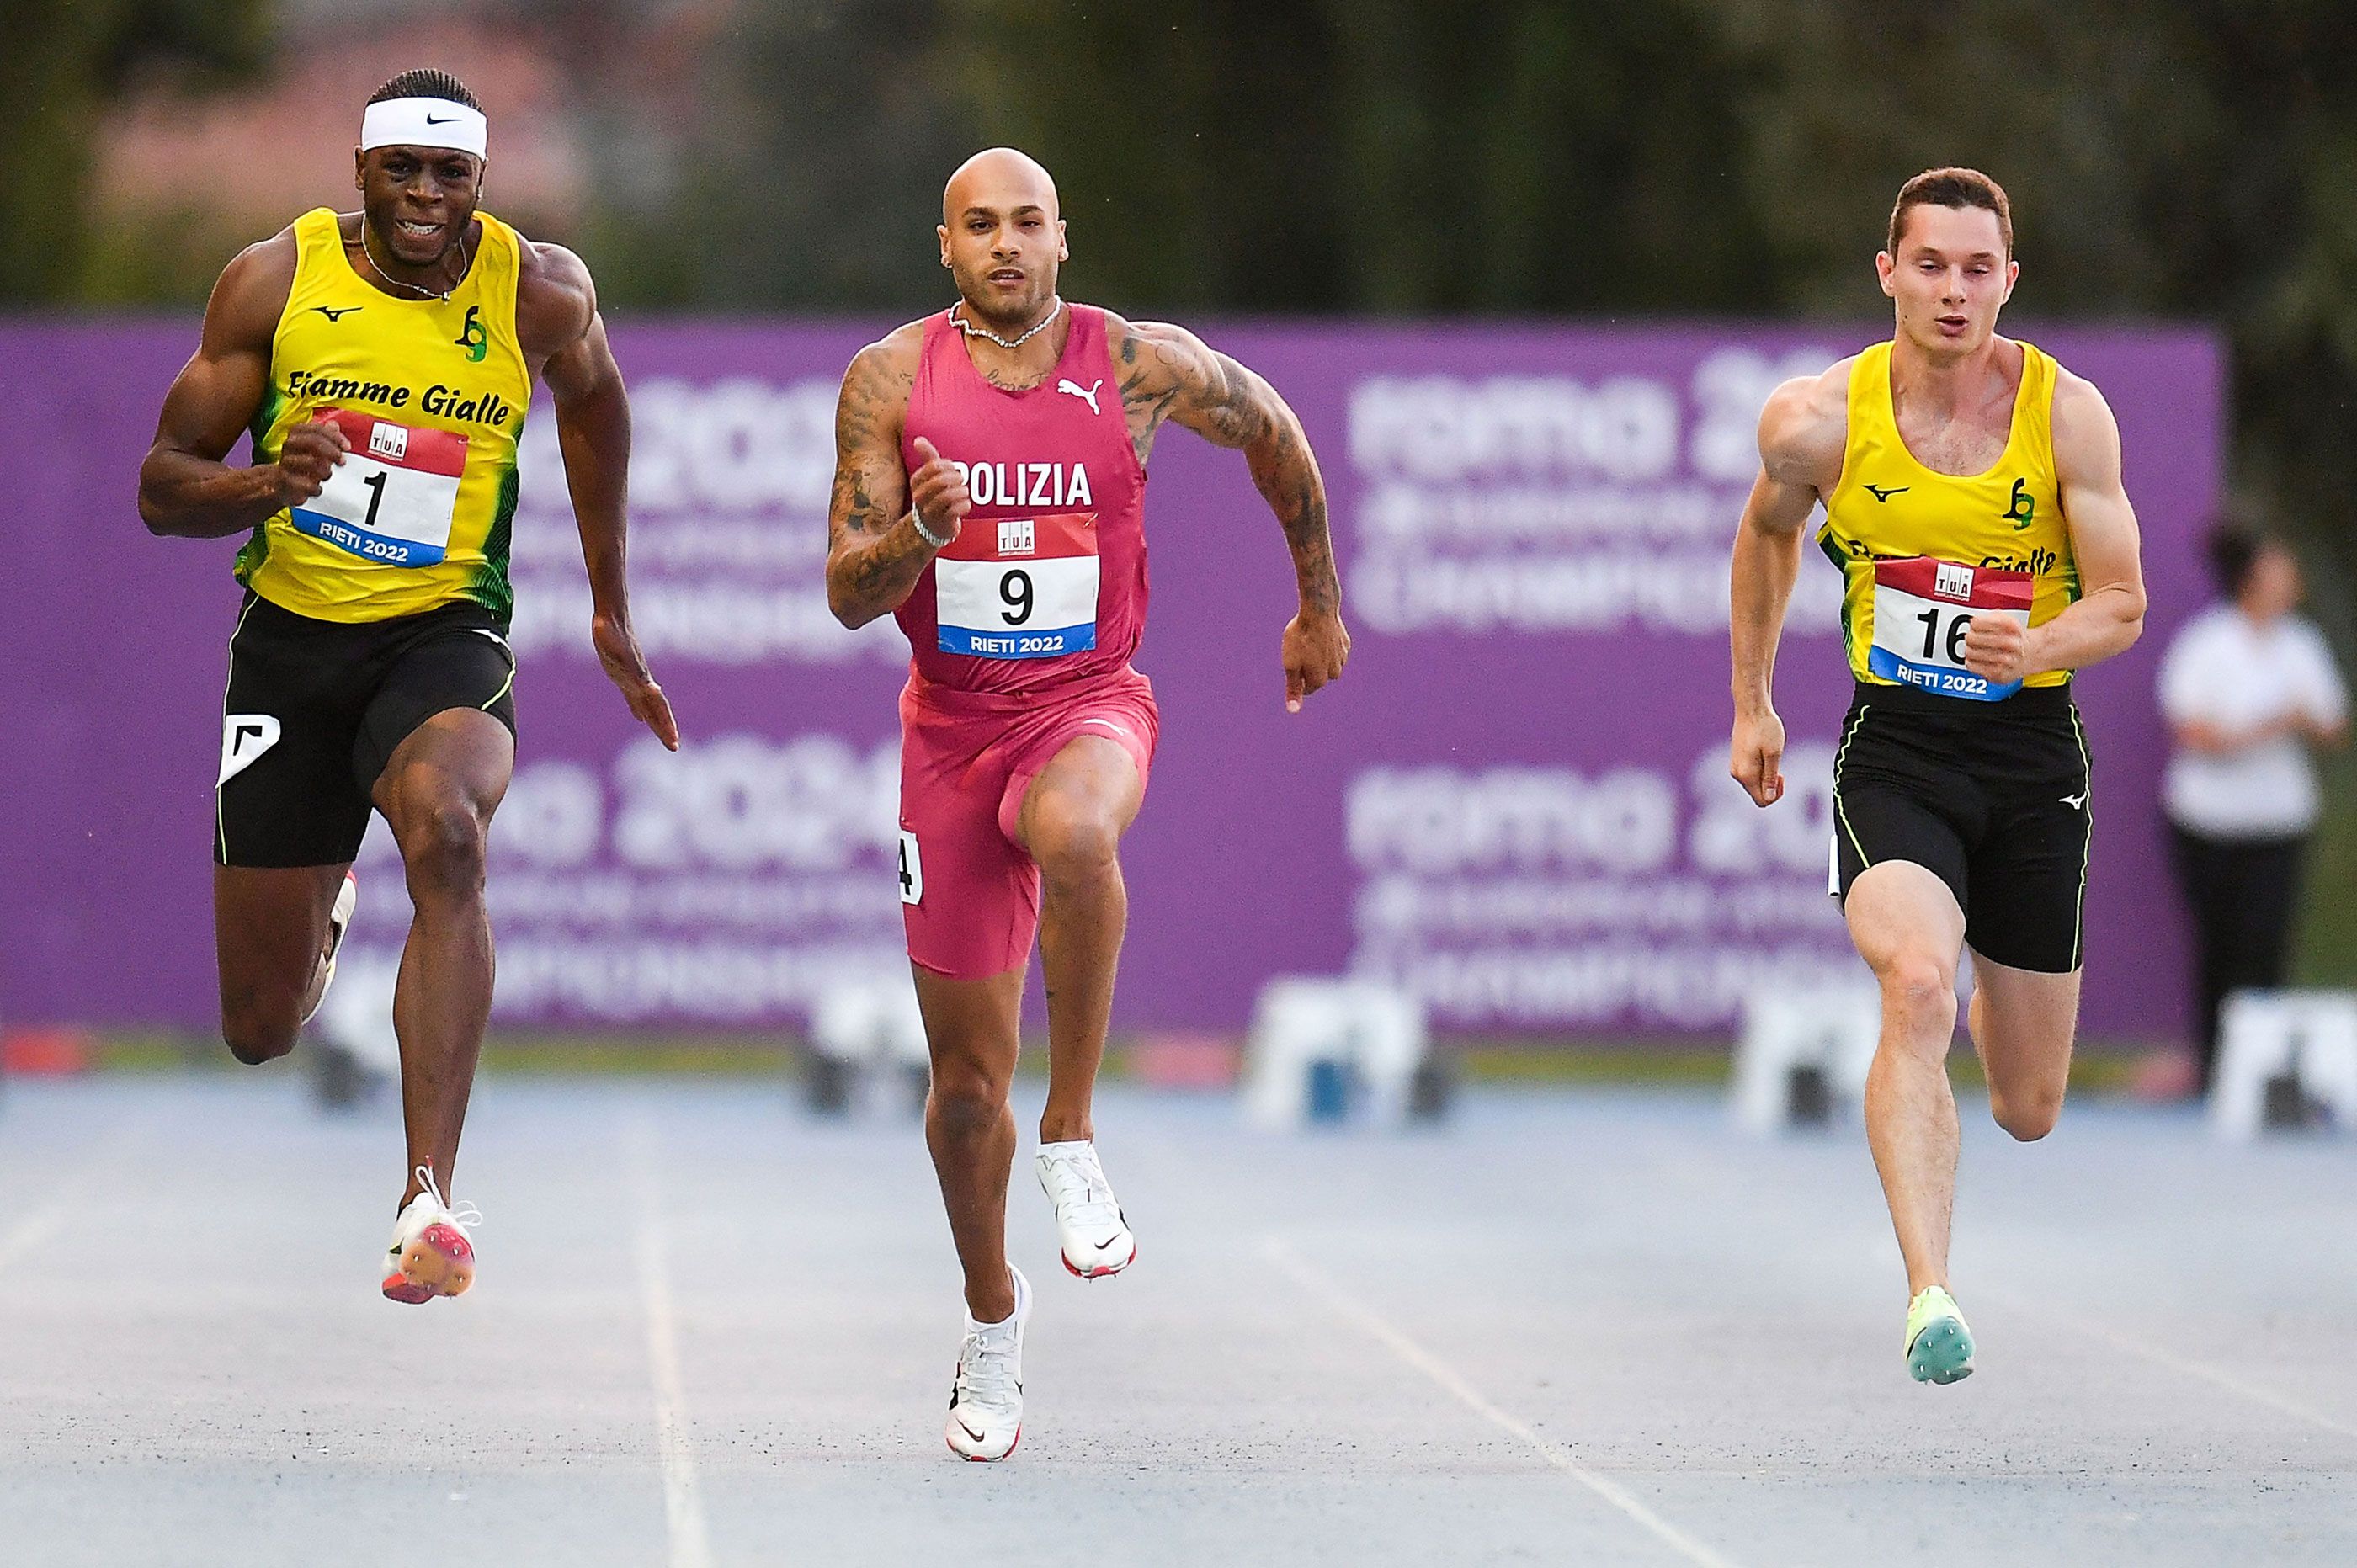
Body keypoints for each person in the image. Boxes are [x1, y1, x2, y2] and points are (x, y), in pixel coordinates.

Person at [825, 147, 1349, 1459]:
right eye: (980, 227)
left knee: (1077, 831)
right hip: (949, 736)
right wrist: (918, 539)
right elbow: (845, 588)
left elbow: (1275, 432)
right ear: (944, 247)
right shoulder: (890, 381)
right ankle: (993, 1318)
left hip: (1089, 700)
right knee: (957, 1094)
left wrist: (1319, 602)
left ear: (1064, 240)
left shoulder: (1135, 365)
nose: (1006, 246)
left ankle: (1071, 1132)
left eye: (1030, 225)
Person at [137, 69, 677, 1304]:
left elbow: (595, 405)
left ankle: (427, 1191)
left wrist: (608, 600)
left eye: (451, 175)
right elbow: (162, 483)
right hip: (289, 645)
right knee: (260, 1027)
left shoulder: (539, 290)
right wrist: (265, 483)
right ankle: (324, 896)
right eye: (403, 171)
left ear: (480, 184)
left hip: (444, 636)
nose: (427, 197)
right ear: (362, 173)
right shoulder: (275, 282)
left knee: (448, 829)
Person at [1727, 167, 2146, 1383]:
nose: (1954, 291)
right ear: (1888, 273)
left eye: (1978, 270)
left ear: (2008, 282)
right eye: (1931, 265)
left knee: (2029, 1100)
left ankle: (1988, 1011)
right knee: (1912, 980)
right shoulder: (1815, 419)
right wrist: (1750, 702)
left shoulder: (2070, 417)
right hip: (1897, 745)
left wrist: (2042, 644)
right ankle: (1929, 1292)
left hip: (2029, 753)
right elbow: (1764, 537)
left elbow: (2121, 601)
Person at [2157, 525, 2348, 1094]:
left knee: (2266, 945)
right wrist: (2265, 726)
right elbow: (2191, 730)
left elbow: (2333, 724)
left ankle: (2260, 1076)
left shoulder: (2302, 644)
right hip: (2208, 822)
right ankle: (2212, 1068)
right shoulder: (2206, 645)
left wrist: (2304, 721)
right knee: (2219, 945)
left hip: (2278, 823)